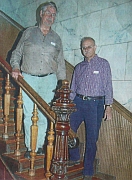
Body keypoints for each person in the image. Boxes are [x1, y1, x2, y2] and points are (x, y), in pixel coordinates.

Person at [10, 1, 66, 158]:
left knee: (43, 114)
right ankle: (30, 147)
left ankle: (40, 145)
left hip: (49, 80)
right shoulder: (28, 33)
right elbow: (16, 53)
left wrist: (62, 83)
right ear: (41, 14)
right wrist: (15, 67)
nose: (50, 17)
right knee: (29, 114)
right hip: (29, 78)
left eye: (53, 14)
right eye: (48, 13)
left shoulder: (57, 38)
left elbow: (61, 62)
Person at [68, 37, 113, 180]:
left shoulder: (103, 64)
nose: (86, 50)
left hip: (96, 105)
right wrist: (69, 104)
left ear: (95, 47)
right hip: (78, 102)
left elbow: (108, 86)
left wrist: (109, 106)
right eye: (83, 48)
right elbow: (73, 88)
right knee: (68, 130)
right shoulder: (79, 67)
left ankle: (88, 171)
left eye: (88, 47)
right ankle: (74, 157)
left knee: (92, 138)